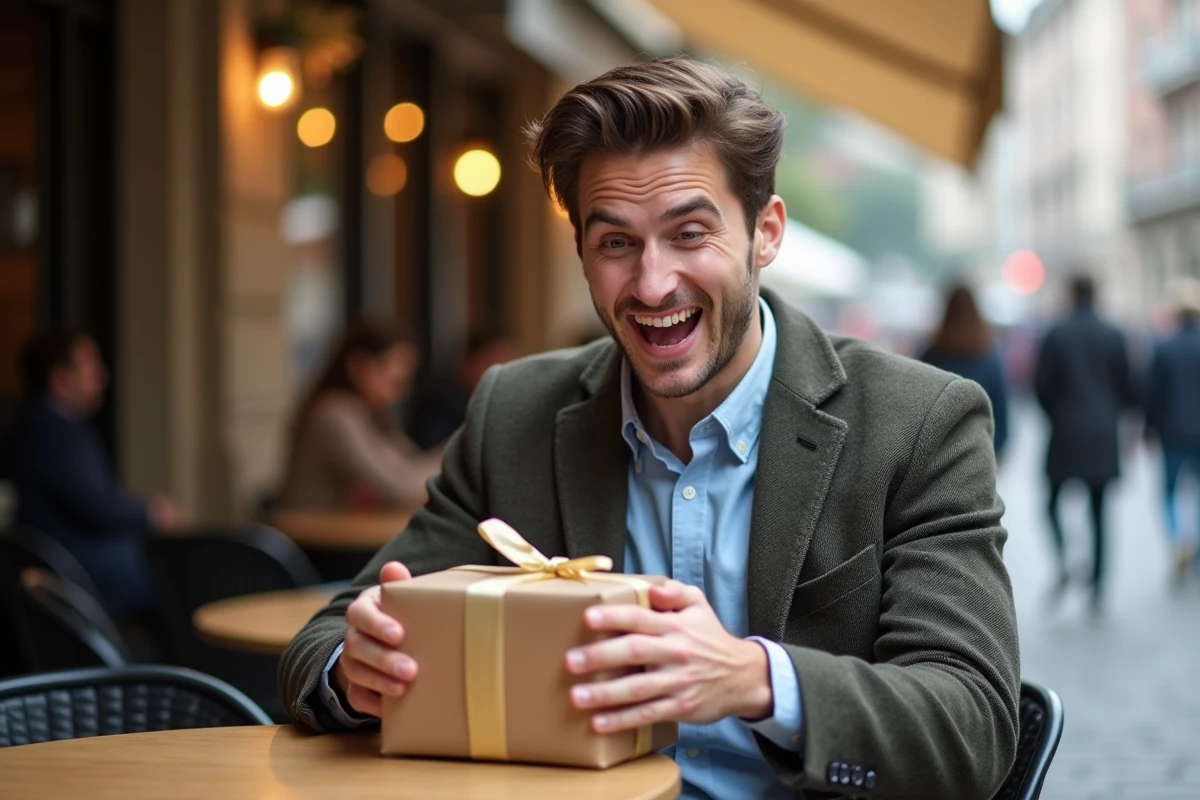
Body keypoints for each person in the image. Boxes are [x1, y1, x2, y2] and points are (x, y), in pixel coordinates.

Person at [280, 57, 1019, 800]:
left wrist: (753, 679)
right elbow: (320, 645)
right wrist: (357, 668)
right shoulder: (517, 413)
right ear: (581, 252)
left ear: (766, 233)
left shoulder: (921, 422)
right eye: (615, 243)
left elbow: (973, 726)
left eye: (689, 233)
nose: (652, 283)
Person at [0, 330, 181, 620]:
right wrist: (150, 513)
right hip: (72, 573)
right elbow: (97, 507)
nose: (102, 376)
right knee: (178, 574)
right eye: (90, 367)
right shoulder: (51, 430)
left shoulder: (42, 424)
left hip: (66, 564)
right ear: (61, 379)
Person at [1033, 275, 1138, 611]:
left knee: (1050, 503)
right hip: (1103, 432)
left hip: (1065, 430)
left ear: (1070, 293)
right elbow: (1129, 386)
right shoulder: (1114, 333)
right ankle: (1098, 586)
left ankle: (1065, 560)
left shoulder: (1056, 333)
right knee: (1100, 510)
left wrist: (1058, 414)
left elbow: (1041, 385)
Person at [280, 321, 442, 511]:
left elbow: (409, 464)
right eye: (395, 380)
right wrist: (463, 450)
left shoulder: (369, 414)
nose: (404, 390)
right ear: (360, 366)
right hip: (318, 536)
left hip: (347, 532)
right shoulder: (334, 414)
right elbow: (400, 488)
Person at [1144, 278, 1200, 582]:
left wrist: (1148, 429)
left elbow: (1152, 394)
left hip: (1173, 433)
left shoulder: (1164, 347)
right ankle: (1197, 551)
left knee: (1168, 493)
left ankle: (1181, 539)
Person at [919, 283, 1010, 457]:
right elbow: (1000, 407)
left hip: (938, 450)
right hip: (979, 449)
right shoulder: (988, 356)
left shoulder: (931, 354)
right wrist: (999, 448)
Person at [405, 332, 518, 449]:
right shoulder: (445, 401)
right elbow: (433, 449)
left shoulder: (492, 403)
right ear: (470, 360)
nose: (500, 375)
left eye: (507, 363)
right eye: (491, 361)